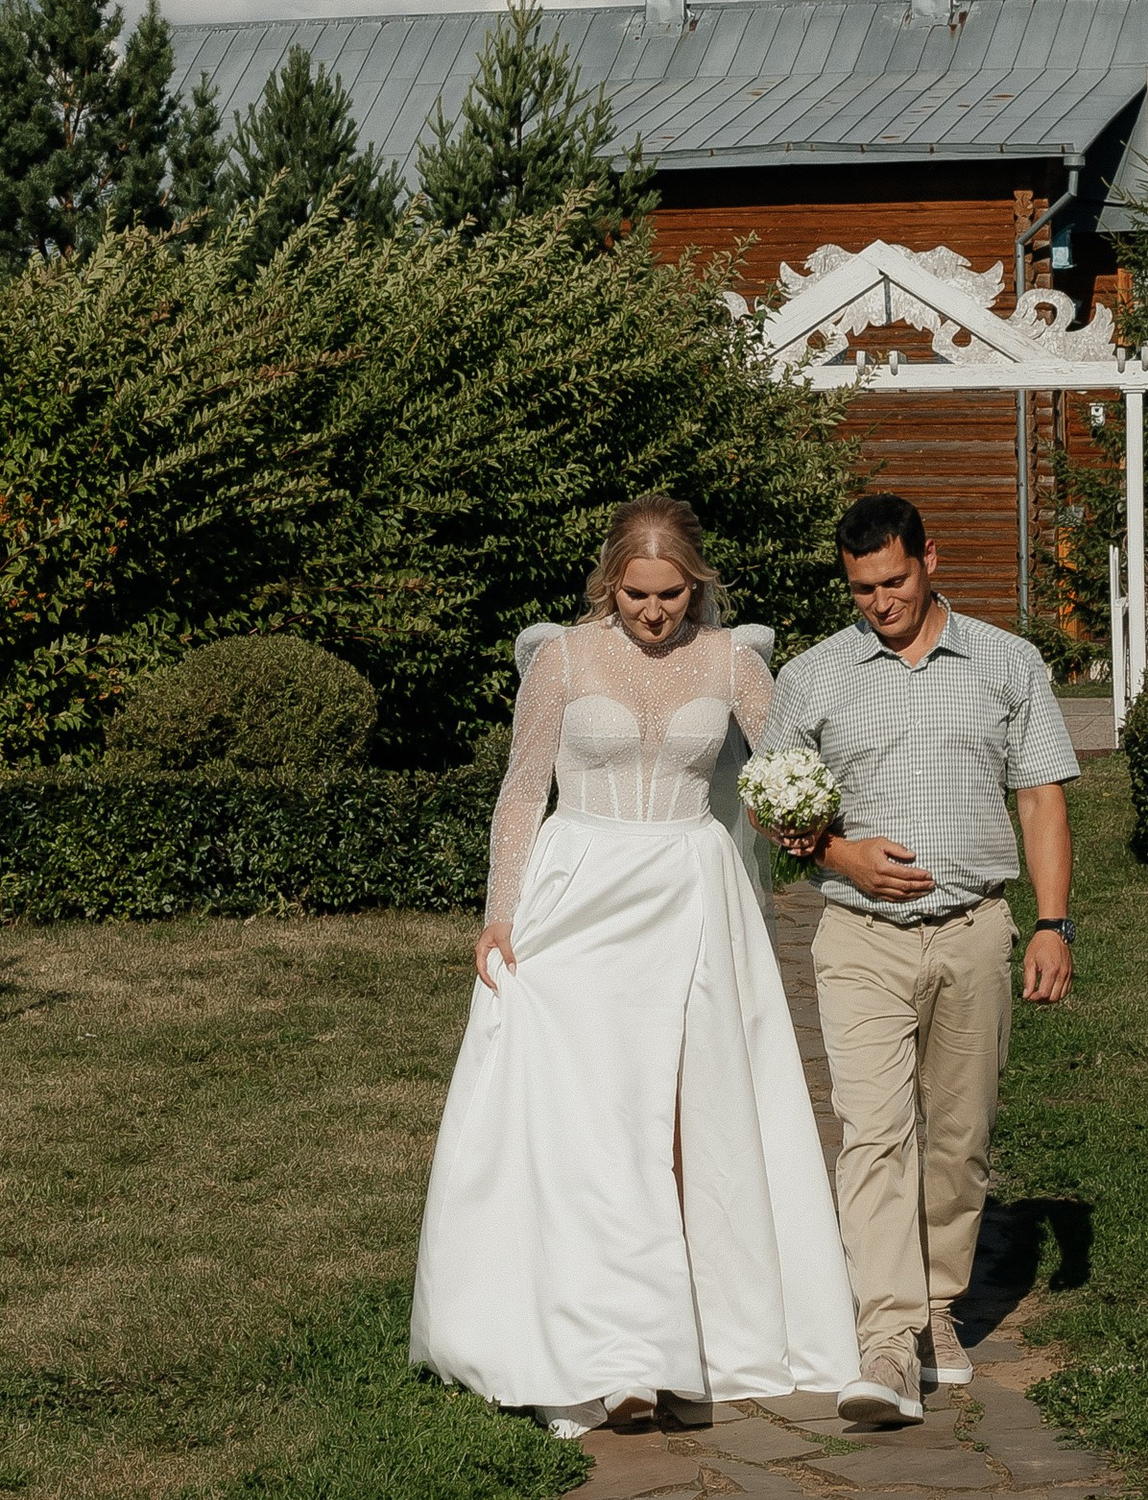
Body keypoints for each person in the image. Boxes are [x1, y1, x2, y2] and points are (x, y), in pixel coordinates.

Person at [411, 498, 861, 1439]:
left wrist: (814, 816)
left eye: (671, 594)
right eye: (636, 594)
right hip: (579, 896)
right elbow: (522, 791)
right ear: (606, 581)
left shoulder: (734, 659)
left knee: (694, 1112)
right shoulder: (563, 661)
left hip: (694, 891)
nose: (654, 613)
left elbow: (786, 767)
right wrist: (499, 915)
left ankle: (691, 1331)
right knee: (595, 1120)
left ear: (695, 581)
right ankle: (615, 1346)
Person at [762, 494, 1080, 1430]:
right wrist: (838, 853)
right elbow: (773, 806)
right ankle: (888, 1340)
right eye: (863, 588)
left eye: (894, 581)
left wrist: (1053, 923)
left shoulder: (1005, 662)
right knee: (871, 1131)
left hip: (975, 929)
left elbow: (1042, 799)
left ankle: (939, 1302)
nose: (880, 602)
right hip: (859, 937)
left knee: (958, 1137)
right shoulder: (814, 676)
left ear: (930, 559)